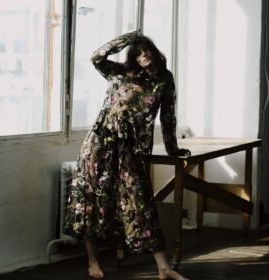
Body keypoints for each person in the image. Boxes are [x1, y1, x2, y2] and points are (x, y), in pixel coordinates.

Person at [63, 30, 191, 280]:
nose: (145, 56)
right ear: (134, 55)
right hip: (99, 144)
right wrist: (129, 38)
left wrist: (172, 149)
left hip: (131, 150)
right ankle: (93, 261)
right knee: (90, 200)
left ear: (154, 52)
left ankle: (164, 268)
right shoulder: (119, 72)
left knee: (141, 204)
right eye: (140, 52)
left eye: (148, 51)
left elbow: (167, 117)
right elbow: (95, 57)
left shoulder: (164, 79)